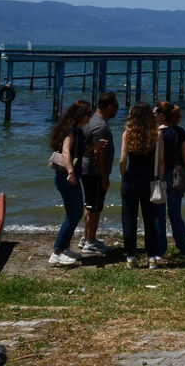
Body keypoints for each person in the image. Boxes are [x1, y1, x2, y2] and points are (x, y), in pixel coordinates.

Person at [119, 101, 163, 269]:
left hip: (131, 178)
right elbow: (161, 161)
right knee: (150, 220)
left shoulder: (127, 134)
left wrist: (123, 175)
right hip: (149, 179)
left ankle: (131, 257)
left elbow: (123, 160)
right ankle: (152, 257)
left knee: (129, 219)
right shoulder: (156, 134)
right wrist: (158, 178)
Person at [49, 99, 92, 266]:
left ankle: (65, 248)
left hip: (69, 176)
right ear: (80, 115)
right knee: (73, 214)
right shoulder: (71, 130)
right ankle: (57, 252)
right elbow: (66, 152)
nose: (90, 116)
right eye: (88, 113)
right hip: (67, 177)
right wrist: (70, 172)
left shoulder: (77, 130)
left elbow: (77, 153)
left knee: (74, 213)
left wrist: (93, 146)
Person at [153, 101, 185, 258]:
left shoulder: (155, 133)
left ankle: (159, 249)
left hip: (160, 174)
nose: (153, 116)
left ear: (162, 115)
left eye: (155, 113)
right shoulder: (179, 132)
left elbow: (157, 158)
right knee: (175, 213)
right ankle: (183, 248)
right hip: (177, 175)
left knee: (159, 214)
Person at [79, 91, 118, 255]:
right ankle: (90, 242)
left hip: (86, 169)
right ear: (108, 107)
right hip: (94, 172)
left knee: (89, 205)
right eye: (116, 106)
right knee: (95, 208)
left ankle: (86, 237)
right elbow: (99, 153)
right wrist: (104, 176)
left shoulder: (91, 120)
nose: (117, 109)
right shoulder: (101, 126)